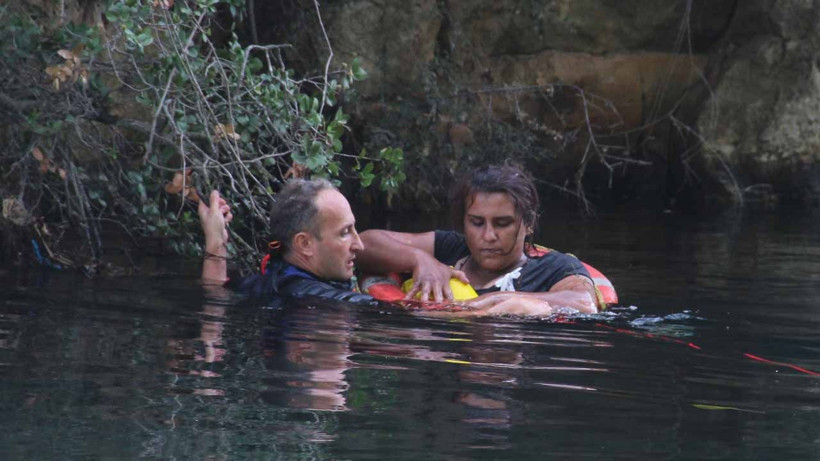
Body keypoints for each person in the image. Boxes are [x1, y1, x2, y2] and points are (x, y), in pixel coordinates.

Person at [356, 164, 600, 314]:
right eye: (476, 222)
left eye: (502, 223)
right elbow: (362, 245)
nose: (488, 236)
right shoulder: (449, 249)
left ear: (529, 223)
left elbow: (584, 302)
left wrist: (500, 300)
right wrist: (419, 259)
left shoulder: (553, 268)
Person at [199, 178, 377, 304]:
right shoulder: (314, 297)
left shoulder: (261, 284)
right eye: (345, 233)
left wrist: (216, 241)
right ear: (305, 244)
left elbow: (215, 292)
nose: (359, 245)